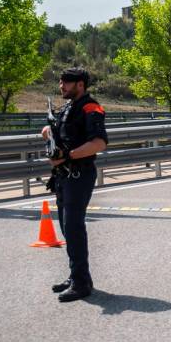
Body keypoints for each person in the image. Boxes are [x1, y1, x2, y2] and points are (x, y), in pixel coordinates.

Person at [41, 68, 108, 302]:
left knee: (74, 227)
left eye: (66, 82)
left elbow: (99, 143)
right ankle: (77, 275)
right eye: (60, 82)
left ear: (80, 84)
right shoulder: (68, 107)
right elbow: (60, 133)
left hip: (79, 174)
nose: (61, 86)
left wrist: (67, 156)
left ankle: (81, 284)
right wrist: (49, 133)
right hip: (62, 175)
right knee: (66, 227)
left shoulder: (91, 107)